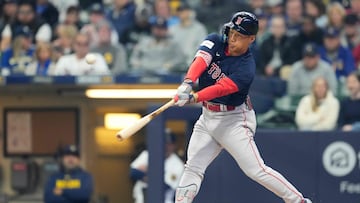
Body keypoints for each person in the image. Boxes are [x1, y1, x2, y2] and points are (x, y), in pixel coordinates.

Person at [172, 11, 312, 203]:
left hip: (234, 120)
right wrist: (187, 83)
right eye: (232, 33)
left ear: (251, 39)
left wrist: (193, 97)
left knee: (255, 170)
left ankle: (298, 201)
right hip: (207, 117)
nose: (233, 39)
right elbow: (201, 60)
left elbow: (221, 89)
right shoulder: (216, 40)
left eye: (239, 36)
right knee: (193, 167)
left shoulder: (247, 68)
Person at [130, 130, 184, 203]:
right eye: (164, 143)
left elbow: (165, 187)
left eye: (169, 144)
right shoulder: (147, 154)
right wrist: (156, 177)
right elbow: (134, 173)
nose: (166, 146)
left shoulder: (178, 165)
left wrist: (148, 172)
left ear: (174, 145)